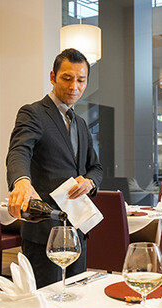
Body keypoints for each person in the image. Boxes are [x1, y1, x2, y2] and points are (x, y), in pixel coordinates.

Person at [6, 48, 103, 288]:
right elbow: (19, 151)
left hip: (77, 228)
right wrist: (21, 181)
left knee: (76, 297)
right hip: (44, 231)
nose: (74, 86)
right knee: (46, 301)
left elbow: (96, 168)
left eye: (81, 80)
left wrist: (90, 182)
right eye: (67, 78)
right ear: (53, 77)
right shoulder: (33, 113)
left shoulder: (80, 123)